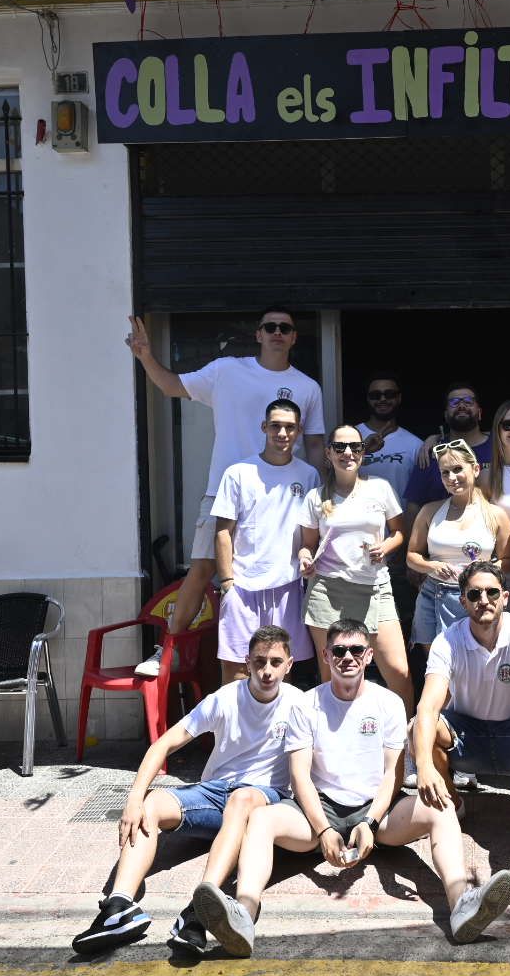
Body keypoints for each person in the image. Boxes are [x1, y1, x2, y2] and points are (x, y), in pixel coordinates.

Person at [192, 619, 510, 954]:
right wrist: (322, 831)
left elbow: (393, 773)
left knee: (442, 805)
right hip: (319, 810)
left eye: (356, 650)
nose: (348, 657)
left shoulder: (388, 702)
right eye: (339, 650)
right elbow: (300, 776)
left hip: (377, 811)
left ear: (368, 656)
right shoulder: (305, 704)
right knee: (261, 819)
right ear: (326, 655)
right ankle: (243, 914)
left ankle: (461, 901)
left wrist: (370, 822)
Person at [71, 626, 302, 956]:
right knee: (152, 804)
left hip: (263, 797)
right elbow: (163, 744)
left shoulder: (299, 703)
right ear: (247, 661)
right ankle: (120, 907)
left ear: (289, 665)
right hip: (215, 794)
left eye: (276, 662)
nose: (267, 671)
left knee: (243, 797)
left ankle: (198, 909)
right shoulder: (225, 698)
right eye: (260, 661)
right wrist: (135, 798)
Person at [127, 307, 326, 676]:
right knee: (202, 568)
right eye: (270, 327)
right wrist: (145, 356)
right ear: (259, 334)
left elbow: (314, 444)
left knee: (293, 577)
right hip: (226, 491)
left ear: (295, 337)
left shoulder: (307, 387)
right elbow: (171, 386)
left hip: (285, 499)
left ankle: (293, 675)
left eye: (285, 328)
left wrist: (322, 490)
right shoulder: (227, 370)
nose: (277, 333)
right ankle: (166, 651)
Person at [412, 561, 510, 850]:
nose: (484, 601)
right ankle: (452, 805)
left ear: (505, 598)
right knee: (417, 729)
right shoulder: (446, 641)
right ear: (462, 602)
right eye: (474, 595)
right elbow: (428, 708)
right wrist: (422, 766)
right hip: (466, 736)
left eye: (492, 593)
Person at [298, 425, 414, 716]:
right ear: (328, 453)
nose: (347, 452)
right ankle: (333, 746)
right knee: (332, 676)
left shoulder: (379, 487)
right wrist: (304, 560)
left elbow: (399, 532)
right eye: (339, 447)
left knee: (399, 672)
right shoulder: (315, 497)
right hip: (327, 590)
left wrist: (386, 548)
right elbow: (307, 545)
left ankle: (407, 747)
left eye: (355, 447)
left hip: (374, 587)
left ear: (363, 452)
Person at [212, 399, 321, 680]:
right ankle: (234, 726)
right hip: (242, 587)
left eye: (289, 427)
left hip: (288, 588)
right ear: (264, 427)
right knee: (237, 669)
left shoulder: (309, 475)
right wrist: (227, 584)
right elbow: (223, 531)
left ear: (298, 431)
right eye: (275, 426)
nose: (282, 433)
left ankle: (275, 727)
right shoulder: (238, 473)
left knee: (282, 671)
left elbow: (314, 531)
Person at [406, 440, 510, 649]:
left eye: (457, 469)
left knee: (476, 662)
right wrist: (432, 566)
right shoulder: (429, 511)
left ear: (475, 469)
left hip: (478, 598)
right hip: (432, 593)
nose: (451, 478)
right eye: (445, 472)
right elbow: (412, 556)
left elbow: (509, 560)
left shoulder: (495, 514)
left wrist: (479, 574)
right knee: (437, 666)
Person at [403, 382, 493, 514]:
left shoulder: (500, 447)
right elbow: (414, 504)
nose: (462, 406)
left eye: (468, 401)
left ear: (479, 413)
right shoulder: (431, 451)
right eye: (454, 402)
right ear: (445, 415)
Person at [356, 372, 423, 504]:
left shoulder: (416, 444)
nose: (382, 399)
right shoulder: (349, 436)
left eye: (389, 394)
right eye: (375, 395)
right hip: (356, 523)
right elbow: (330, 473)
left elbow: (419, 495)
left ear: (399, 398)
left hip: (399, 523)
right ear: (367, 399)